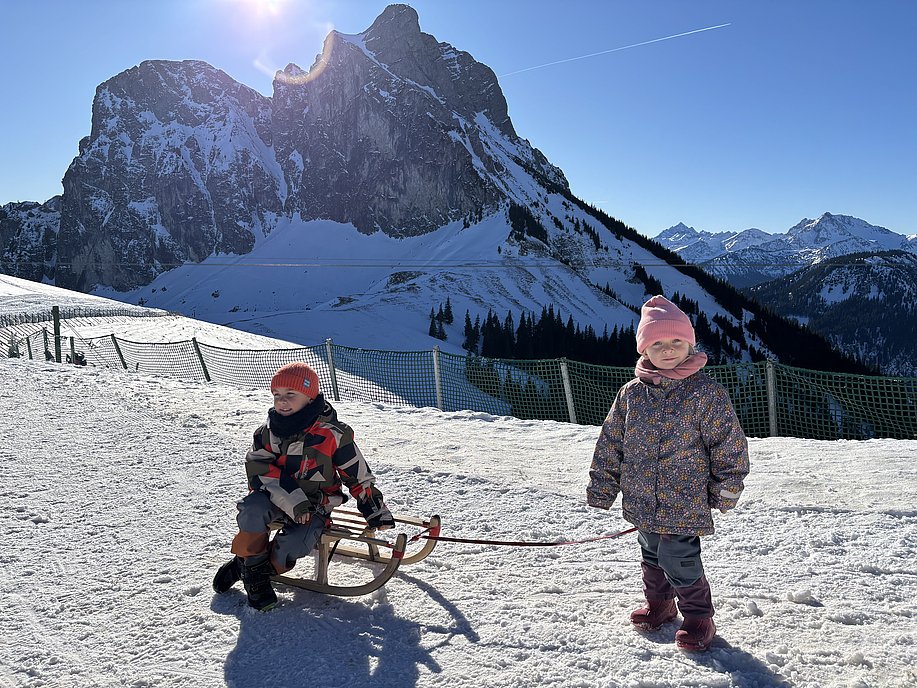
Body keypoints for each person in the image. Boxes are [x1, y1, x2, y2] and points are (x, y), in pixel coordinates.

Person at [587, 296, 749, 651]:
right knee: (650, 552)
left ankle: (698, 617)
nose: (668, 350)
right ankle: (660, 605)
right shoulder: (631, 394)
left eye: (677, 341)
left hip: (684, 498)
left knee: (679, 557)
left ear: (690, 344)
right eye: (657, 343)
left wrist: (728, 486)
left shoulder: (705, 393)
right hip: (641, 496)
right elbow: (611, 441)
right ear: (645, 349)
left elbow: (728, 443)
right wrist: (603, 485)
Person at [213, 362, 395, 611]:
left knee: (297, 542)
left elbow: (356, 473)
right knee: (252, 508)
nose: (282, 402)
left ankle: (248, 567)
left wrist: (374, 508)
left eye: (291, 395)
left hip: (315, 506)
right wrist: (293, 501)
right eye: (277, 395)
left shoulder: (333, 435)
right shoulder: (267, 433)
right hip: (273, 499)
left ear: (310, 397)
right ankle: (255, 577)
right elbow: (259, 469)